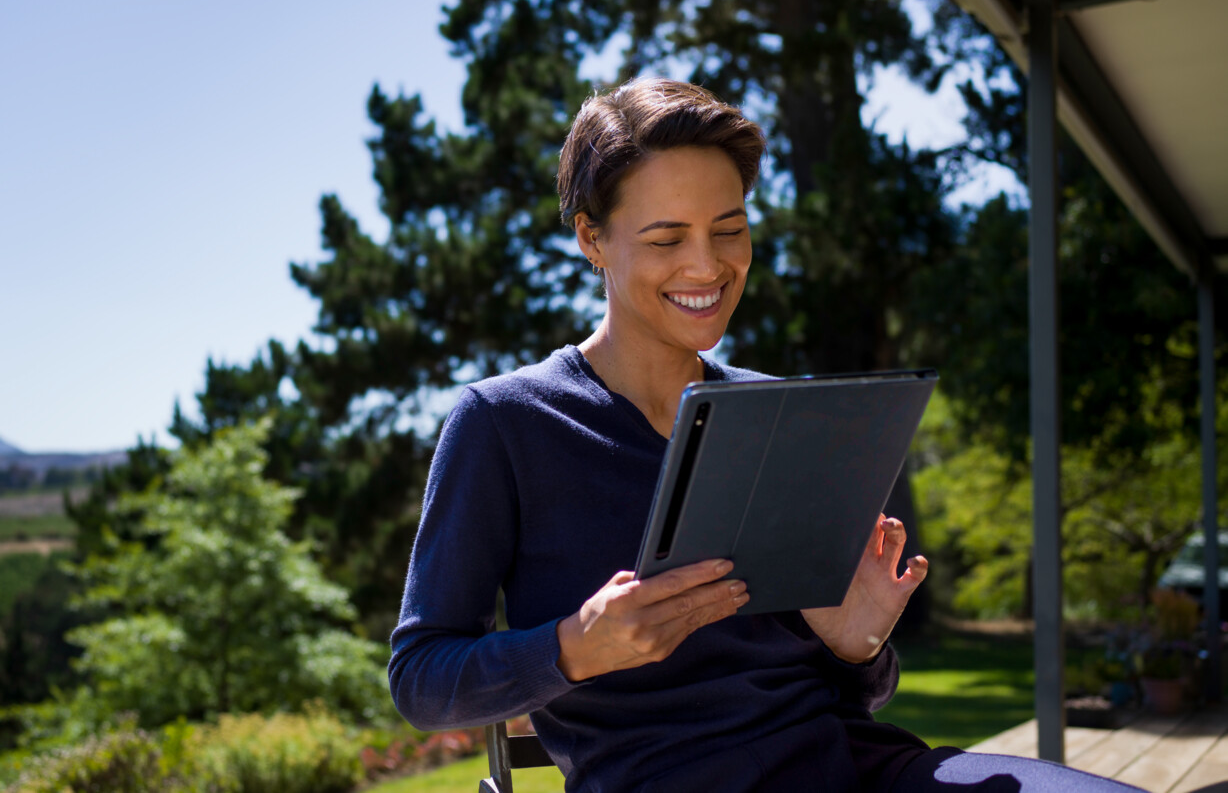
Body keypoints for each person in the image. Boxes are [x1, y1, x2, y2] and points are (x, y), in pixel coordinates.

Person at [388, 78, 1141, 792]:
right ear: (592, 238)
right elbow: (421, 678)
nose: (707, 266)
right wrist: (574, 647)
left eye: (729, 229)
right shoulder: (505, 423)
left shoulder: (779, 412)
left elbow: (856, 694)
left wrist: (857, 645)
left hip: (858, 768)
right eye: (666, 239)